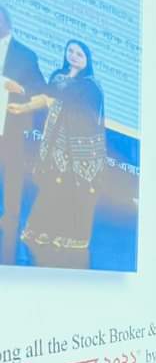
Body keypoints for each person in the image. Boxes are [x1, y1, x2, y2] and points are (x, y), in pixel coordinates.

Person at [10, 39, 103, 269]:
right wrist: (22, 107)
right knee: (49, 187)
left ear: (87, 59)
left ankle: (70, 236)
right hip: (54, 144)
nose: (73, 56)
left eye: (79, 53)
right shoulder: (57, 77)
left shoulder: (90, 86)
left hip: (78, 150)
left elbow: (84, 113)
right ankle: (42, 231)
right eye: (70, 51)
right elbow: (46, 98)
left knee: (70, 192)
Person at [0, 7, 47, 264]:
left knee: (12, 174)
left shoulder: (26, 55)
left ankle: (10, 220)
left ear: (7, 21)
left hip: (11, 125)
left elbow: (40, 89)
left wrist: (21, 89)